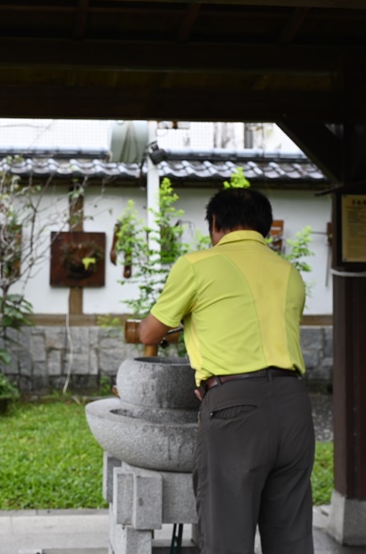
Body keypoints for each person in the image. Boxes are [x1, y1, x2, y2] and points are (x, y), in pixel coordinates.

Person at [138, 187, 313, 554]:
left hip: (235, 409)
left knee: (227, 539)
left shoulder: (198, 265)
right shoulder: (289, 272)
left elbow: (149, 332)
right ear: (264, 227)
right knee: (292, 539)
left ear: (215, 224)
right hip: (294, 407)